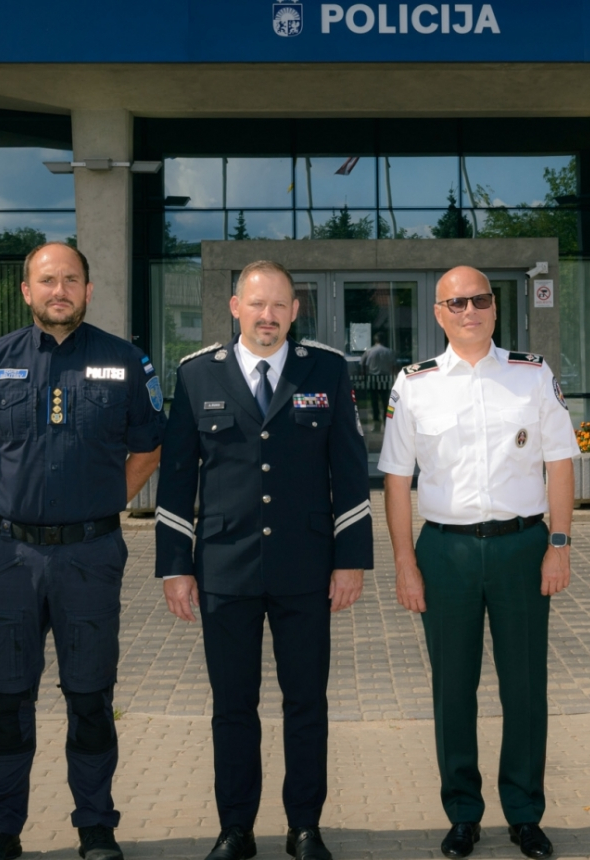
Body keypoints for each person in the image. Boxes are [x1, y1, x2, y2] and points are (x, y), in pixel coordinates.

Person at [156, 260, 373, 860]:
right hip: (224, 568)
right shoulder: (198, 375)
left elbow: (350, 470)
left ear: (295, 311)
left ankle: (305, 825)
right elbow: (177, 479)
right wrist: (176, 564)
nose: (268, 316)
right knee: (233, 706)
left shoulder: (325, 368)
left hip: (307, 568)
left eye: (279, 305)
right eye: (257, 304)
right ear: (235, 308)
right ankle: (236, 829)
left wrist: (350, 557)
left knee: (307, 702)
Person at [0, 242, 165, 860]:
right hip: (10, 558)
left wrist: (100, 503)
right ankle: (1, 829)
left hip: (91, 556)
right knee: (7, 699)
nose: (59, 291)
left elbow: (148, 450)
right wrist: (23, 501)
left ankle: (95, 825)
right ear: (27, 291)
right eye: (47, 281)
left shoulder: (125, 361)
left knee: (91, 697)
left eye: (71, 280)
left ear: (88, 290)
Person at [379, 266, 580, 860]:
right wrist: (404, 563)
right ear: (439, 314)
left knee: (525, 687)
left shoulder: (532, 375)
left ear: (496, 308)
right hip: (445, 551)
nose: (470, 310)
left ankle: (524, 813)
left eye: (480, 300)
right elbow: (395, 480)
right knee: (452, 689)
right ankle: (462, 812)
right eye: (456, 302)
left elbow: (562, 462)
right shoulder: (413, 384)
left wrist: (560, 544)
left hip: (522, 547)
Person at [359, 331, 397, 420]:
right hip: (385, 377)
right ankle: (386, 417)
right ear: (384, 340)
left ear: (374, 340)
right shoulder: (389, 351)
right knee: (386, 400)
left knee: (374, 400)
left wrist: (363, 376)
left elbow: (362, 364)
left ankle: (376, 417)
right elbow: (394, 365)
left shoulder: (369, 351)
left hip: (373, 377)